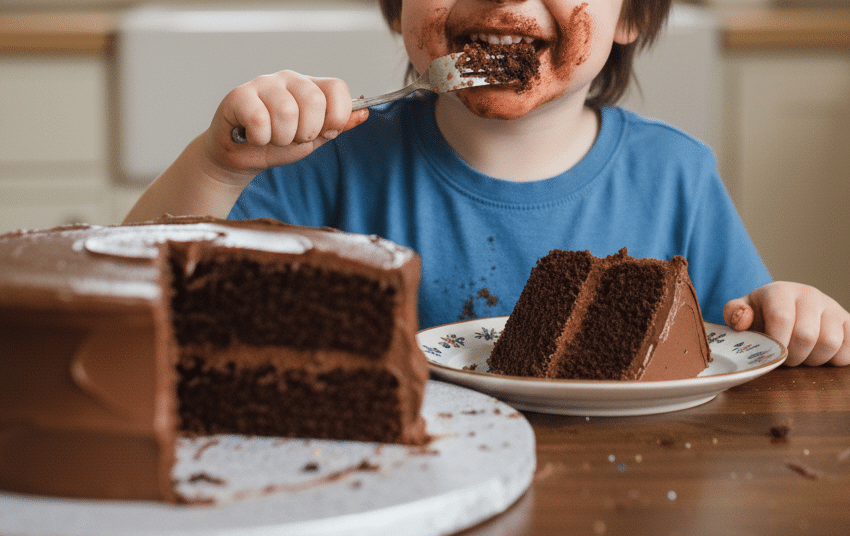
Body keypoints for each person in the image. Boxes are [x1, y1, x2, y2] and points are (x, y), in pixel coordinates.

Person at [124, 0, 849, 367]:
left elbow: (744, 337)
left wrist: (787, 314)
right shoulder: (330, 164)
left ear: (628, 13)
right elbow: (144, 302)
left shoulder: (676, 176)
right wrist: (216, 167)